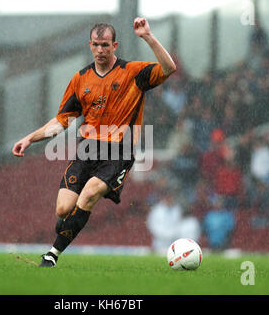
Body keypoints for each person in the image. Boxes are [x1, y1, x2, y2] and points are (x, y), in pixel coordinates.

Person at [12, 18, 176, 267]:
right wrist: (29, 138)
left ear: (115, 46)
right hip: (87, 149)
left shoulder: (132, 72)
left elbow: (168, 68)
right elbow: (61, 121)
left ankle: (52, 254)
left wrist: (148, 37)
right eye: (97, 45)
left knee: (88, 194)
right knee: (63, 210)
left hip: (120, 150)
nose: (101, 50)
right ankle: (69, 225)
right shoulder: (80, 80)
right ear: (90, 45)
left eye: (106, 45)